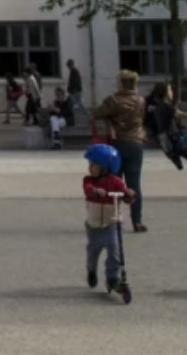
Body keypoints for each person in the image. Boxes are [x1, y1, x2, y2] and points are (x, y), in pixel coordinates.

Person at [93, 69, 148, 232]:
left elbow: (96, 114)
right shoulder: (141, 101)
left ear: (120, 83)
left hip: (118, 144)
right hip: (136, 143)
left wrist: (108, 117)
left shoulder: (113, 100)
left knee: (114, 183)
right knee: (135, 184)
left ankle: (113, 219)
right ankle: (137, 221)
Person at [81, 142, 134, 304]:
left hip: (112, 223)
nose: (90, 168)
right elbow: (88, 188)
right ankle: (91, 270)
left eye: (94, 165)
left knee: (114, 250)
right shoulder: (89, 181)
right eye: (90, 164)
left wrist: (129, 195)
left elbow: (127, 196)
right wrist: (96, 192)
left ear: (106, 166)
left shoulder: (116, 182)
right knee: (93, 251)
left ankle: (112, 277)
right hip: (94, 225)